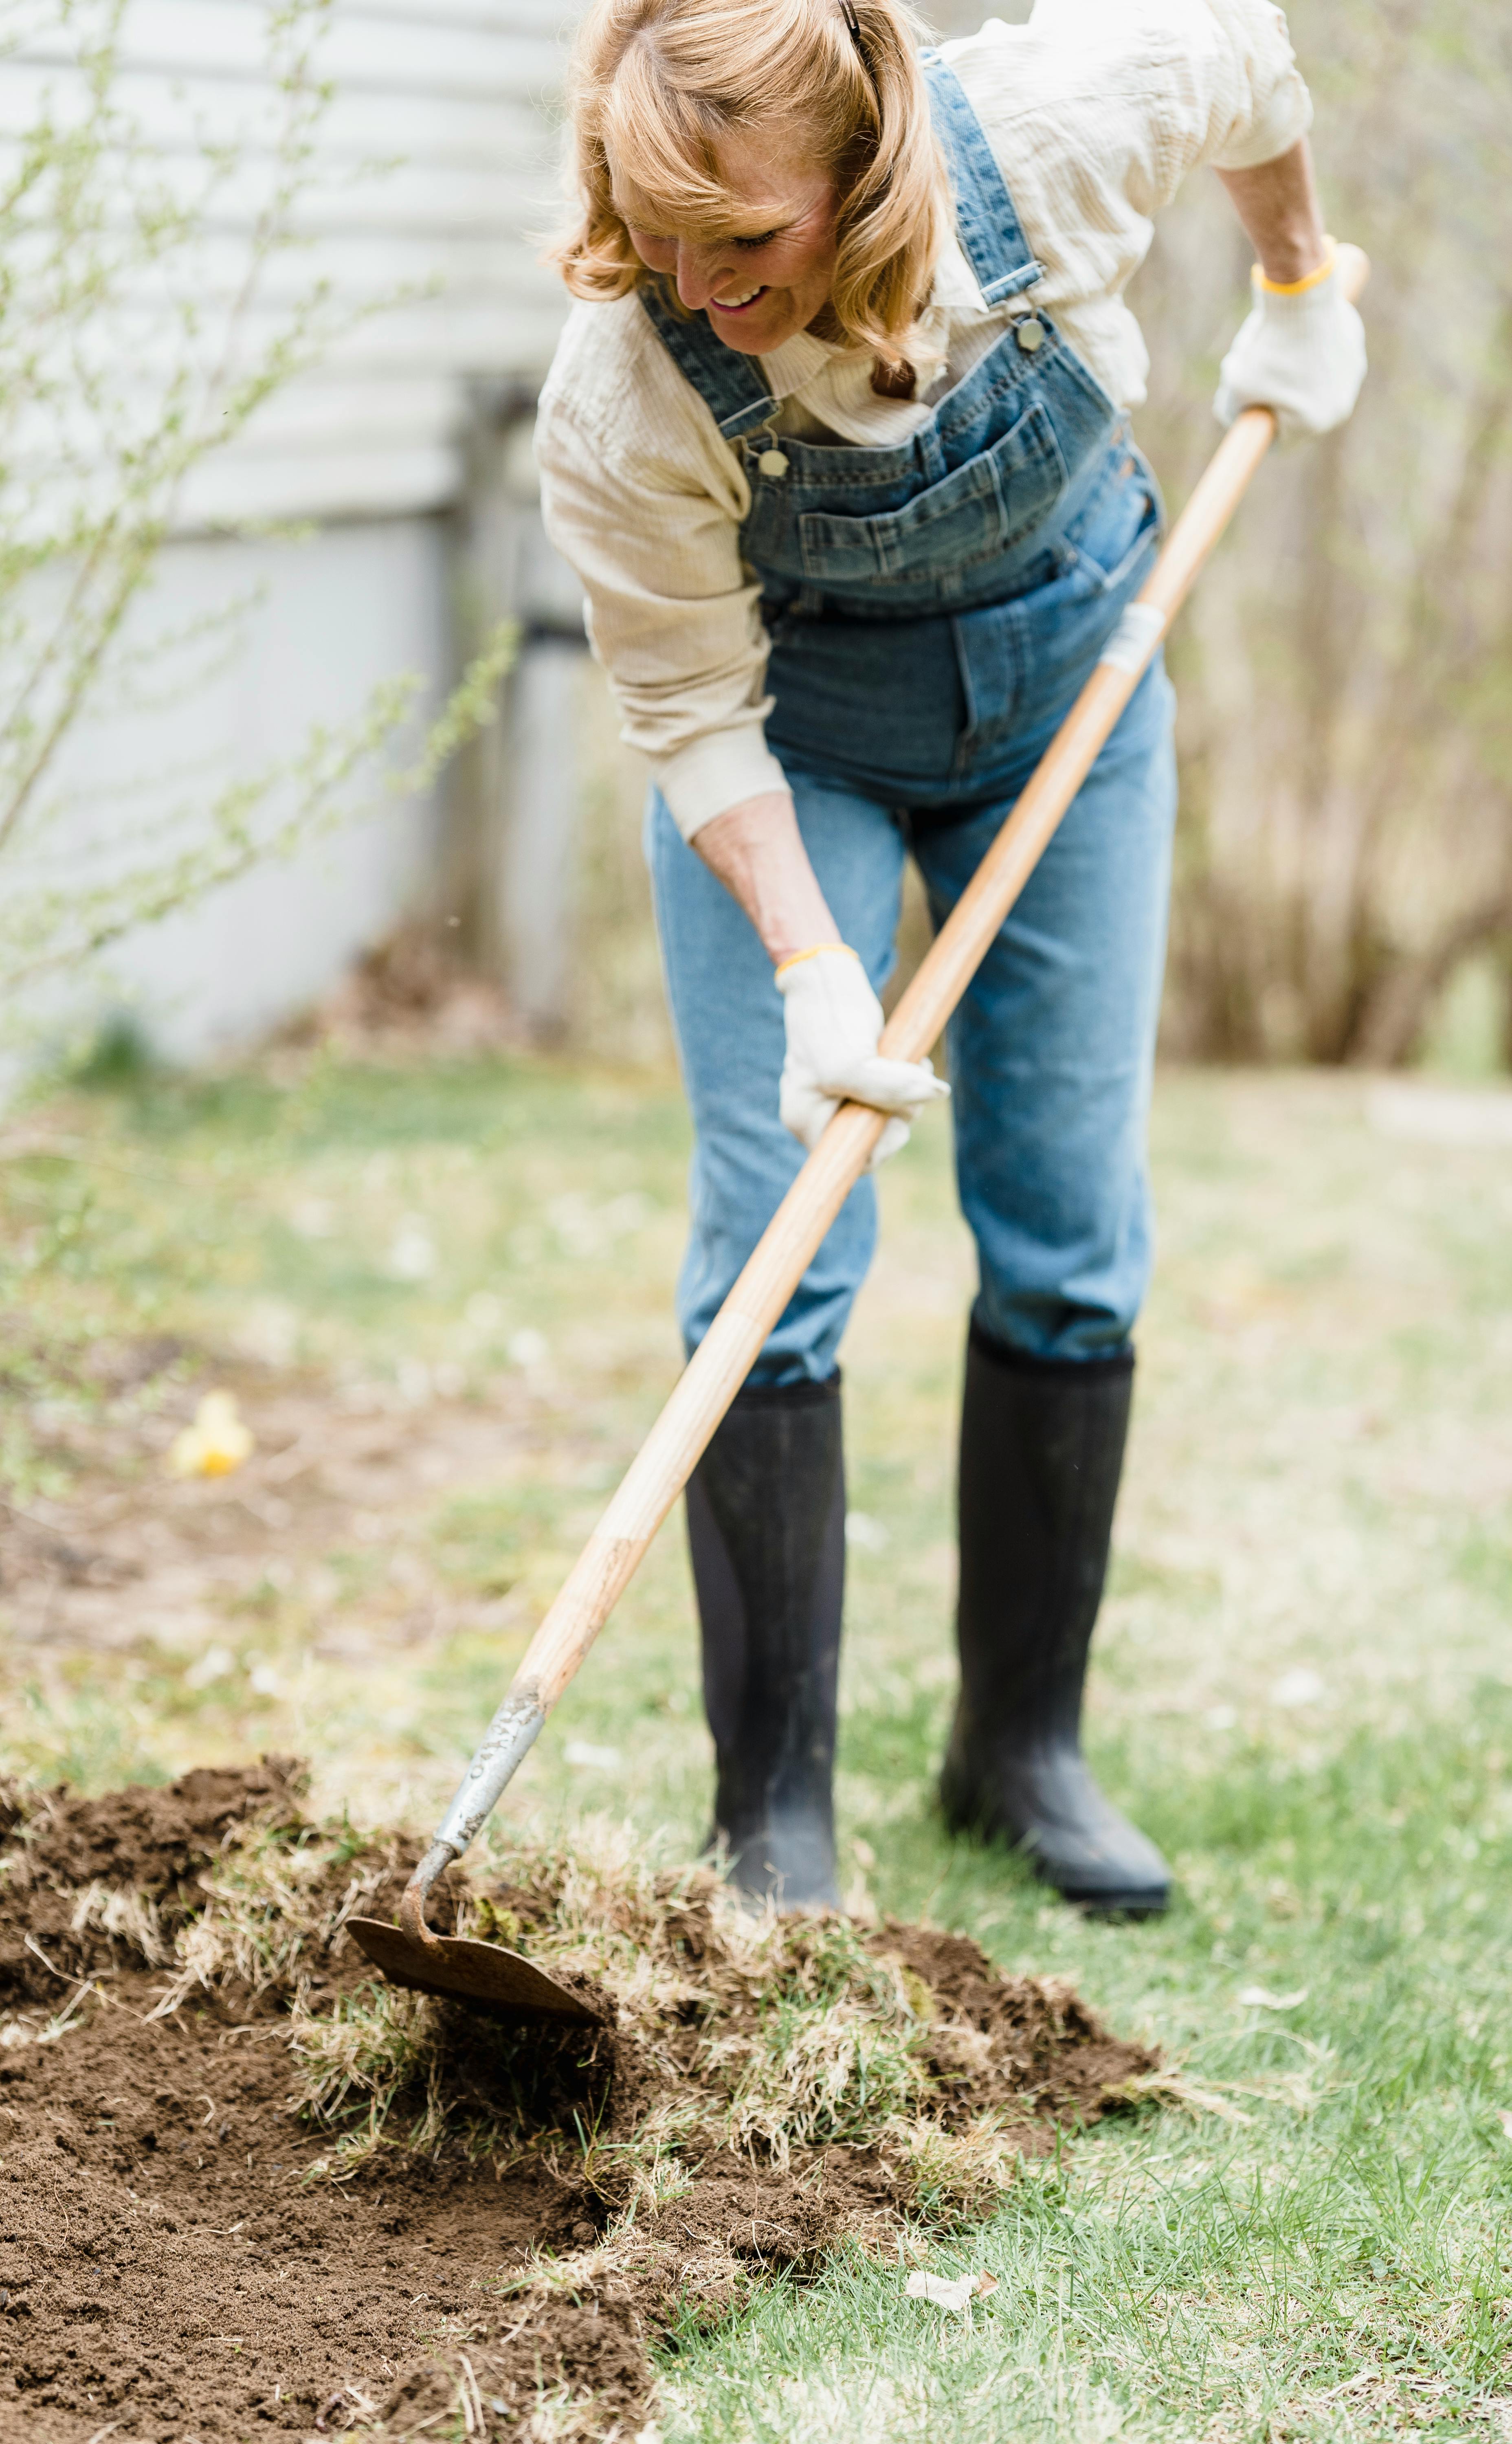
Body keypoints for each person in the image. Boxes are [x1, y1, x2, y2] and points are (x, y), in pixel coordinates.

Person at [536, 0, 1365, 1914]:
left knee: (1071, 1227)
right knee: (775, 1241)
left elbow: (1246, 60)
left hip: (1072, 675)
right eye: (657, 235)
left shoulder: (1058, 126)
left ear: (857, 168)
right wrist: (818, 969)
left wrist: (1297, 278)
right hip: (790, 729)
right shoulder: (627, 387)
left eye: (739, 241)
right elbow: (683, 704)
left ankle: (1021, 1752)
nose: (692, 282)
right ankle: (772, 1815)